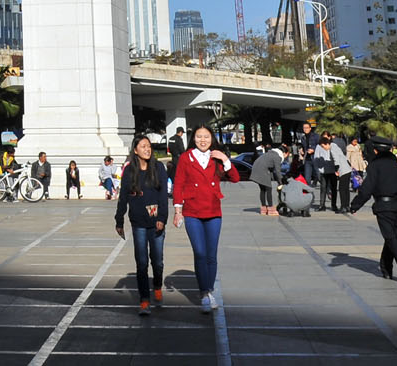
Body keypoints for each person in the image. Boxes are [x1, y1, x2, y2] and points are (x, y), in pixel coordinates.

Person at [171, 124, 240, 313]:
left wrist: (225, 158)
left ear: (212, 139)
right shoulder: (186, 158)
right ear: (193, 138)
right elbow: (178, 185)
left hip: (213, 211)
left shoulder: (216, 157)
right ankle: (204, 292)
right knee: (200, 253)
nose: (203, 140)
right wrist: (177, 210)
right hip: (192, 211)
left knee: (211, 255)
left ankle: (208, 291)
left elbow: (234, 178)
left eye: (207, 137)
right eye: (199, 136)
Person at [115, 134, 171, 316]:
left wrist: (162, 217)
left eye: (149, 146)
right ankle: (144, 300)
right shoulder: (130, 170)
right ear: (135, 150)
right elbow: (123, 196)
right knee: (141, 262)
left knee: (158, 261)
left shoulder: (159, 168)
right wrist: (119, 220)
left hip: (156, 222)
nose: (147, 149)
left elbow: (163, 196)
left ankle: (156, 285)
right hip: (138, 222)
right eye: (143, 146)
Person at [350, 136, 397, 281]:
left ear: (375, 151)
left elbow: (367, 189)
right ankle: (386, 268)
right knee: (390, 237)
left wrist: (355, 205)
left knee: (391, 238)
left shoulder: (374, 166)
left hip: (384, 207)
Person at [313, 133, 347, 213]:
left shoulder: (333, 146)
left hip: (332, 170)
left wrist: (337, 169)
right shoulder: (319, 146)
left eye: (327, 137)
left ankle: (334, 205)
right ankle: (322, 205)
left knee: (334, 188)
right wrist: (318, 169)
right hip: (323, 170)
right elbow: (316, 158)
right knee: (323, 188)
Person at [251, 140, 283, 216]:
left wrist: (272, 178)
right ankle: (271, 209)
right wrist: (280, 182)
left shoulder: (269, 154)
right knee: (269, 188)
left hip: (255, 169)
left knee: (262, 189)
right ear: (283, 153)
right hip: (262, 170)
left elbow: (271, 168)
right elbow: (278, 171)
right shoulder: (277, 157)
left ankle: (263, 209)